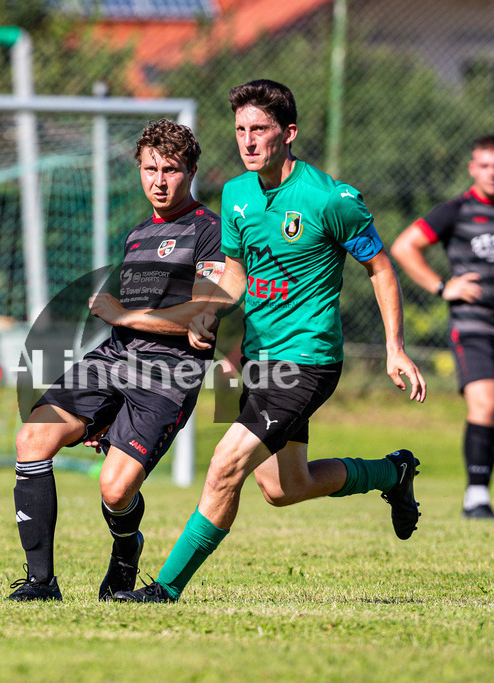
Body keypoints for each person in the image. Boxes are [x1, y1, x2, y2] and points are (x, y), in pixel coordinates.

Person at [113, 79, 426, 604]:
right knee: (284, 488)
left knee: (225, 465)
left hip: (307, 359)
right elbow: (234, 273)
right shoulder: (235, 195)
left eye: (259, 130)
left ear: (289, 133)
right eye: (240, 130)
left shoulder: (330, 198)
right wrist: (207, 311)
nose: (248, 141)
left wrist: (395, 347)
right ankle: (392, 472)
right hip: (260, 360)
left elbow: (380, 267)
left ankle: (165, 588)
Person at [7, 119, 226, 601]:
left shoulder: (211, 232)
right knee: (33, 436)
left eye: (170, 169)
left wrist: (124, 313)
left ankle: (127, 549)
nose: (159, 180)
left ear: (191, 171)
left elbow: (203, 320)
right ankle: (41, 582)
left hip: (169, 374)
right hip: (113, 357)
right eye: (150, 168)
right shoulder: (137, 234)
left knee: (114, 491)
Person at [391, 135, 494, 519]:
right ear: (472, 169)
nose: (492, 173)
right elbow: (404, 246)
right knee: (485, 402)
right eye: (484, 165)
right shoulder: (456, 211)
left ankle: (479, 493)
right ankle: (476, 499)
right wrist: (442, 286)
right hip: (472, 325)